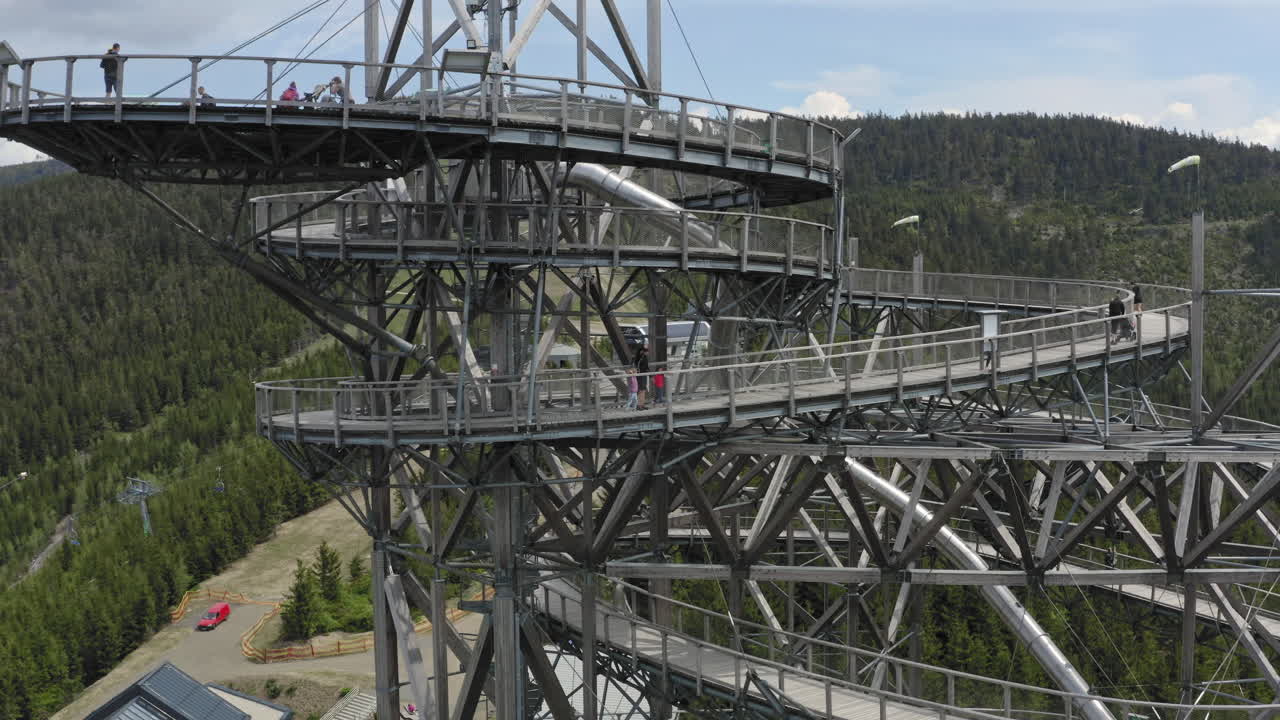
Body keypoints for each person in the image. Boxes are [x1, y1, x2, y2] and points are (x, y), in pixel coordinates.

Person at [634, 343, 649, 409]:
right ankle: (638, 405)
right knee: (640, 390)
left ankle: (642, 404)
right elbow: (639, 367)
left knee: (643, 390)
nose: (647, 352)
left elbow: (646, 367)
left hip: (643, 375)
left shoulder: (644, 358)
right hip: (640, 376)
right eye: (646, 351)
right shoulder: (639, 358)